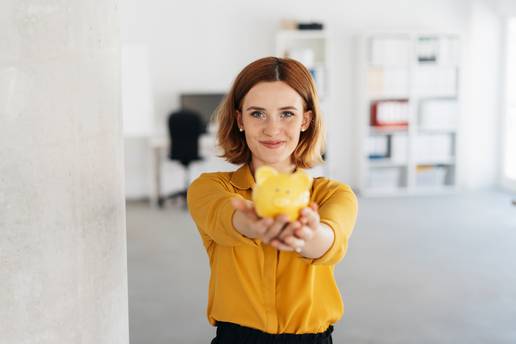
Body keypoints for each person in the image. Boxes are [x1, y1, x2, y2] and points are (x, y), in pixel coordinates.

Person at [187, 56, 358, 344]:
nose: (272, 128)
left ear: (306, 119)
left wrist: (305, 233)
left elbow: (328, 240)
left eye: (287, 114)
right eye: (257, 114)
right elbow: (228, 218)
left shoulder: (334, 194)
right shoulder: (209, 188)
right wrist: (255, 222)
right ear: (240, 119)